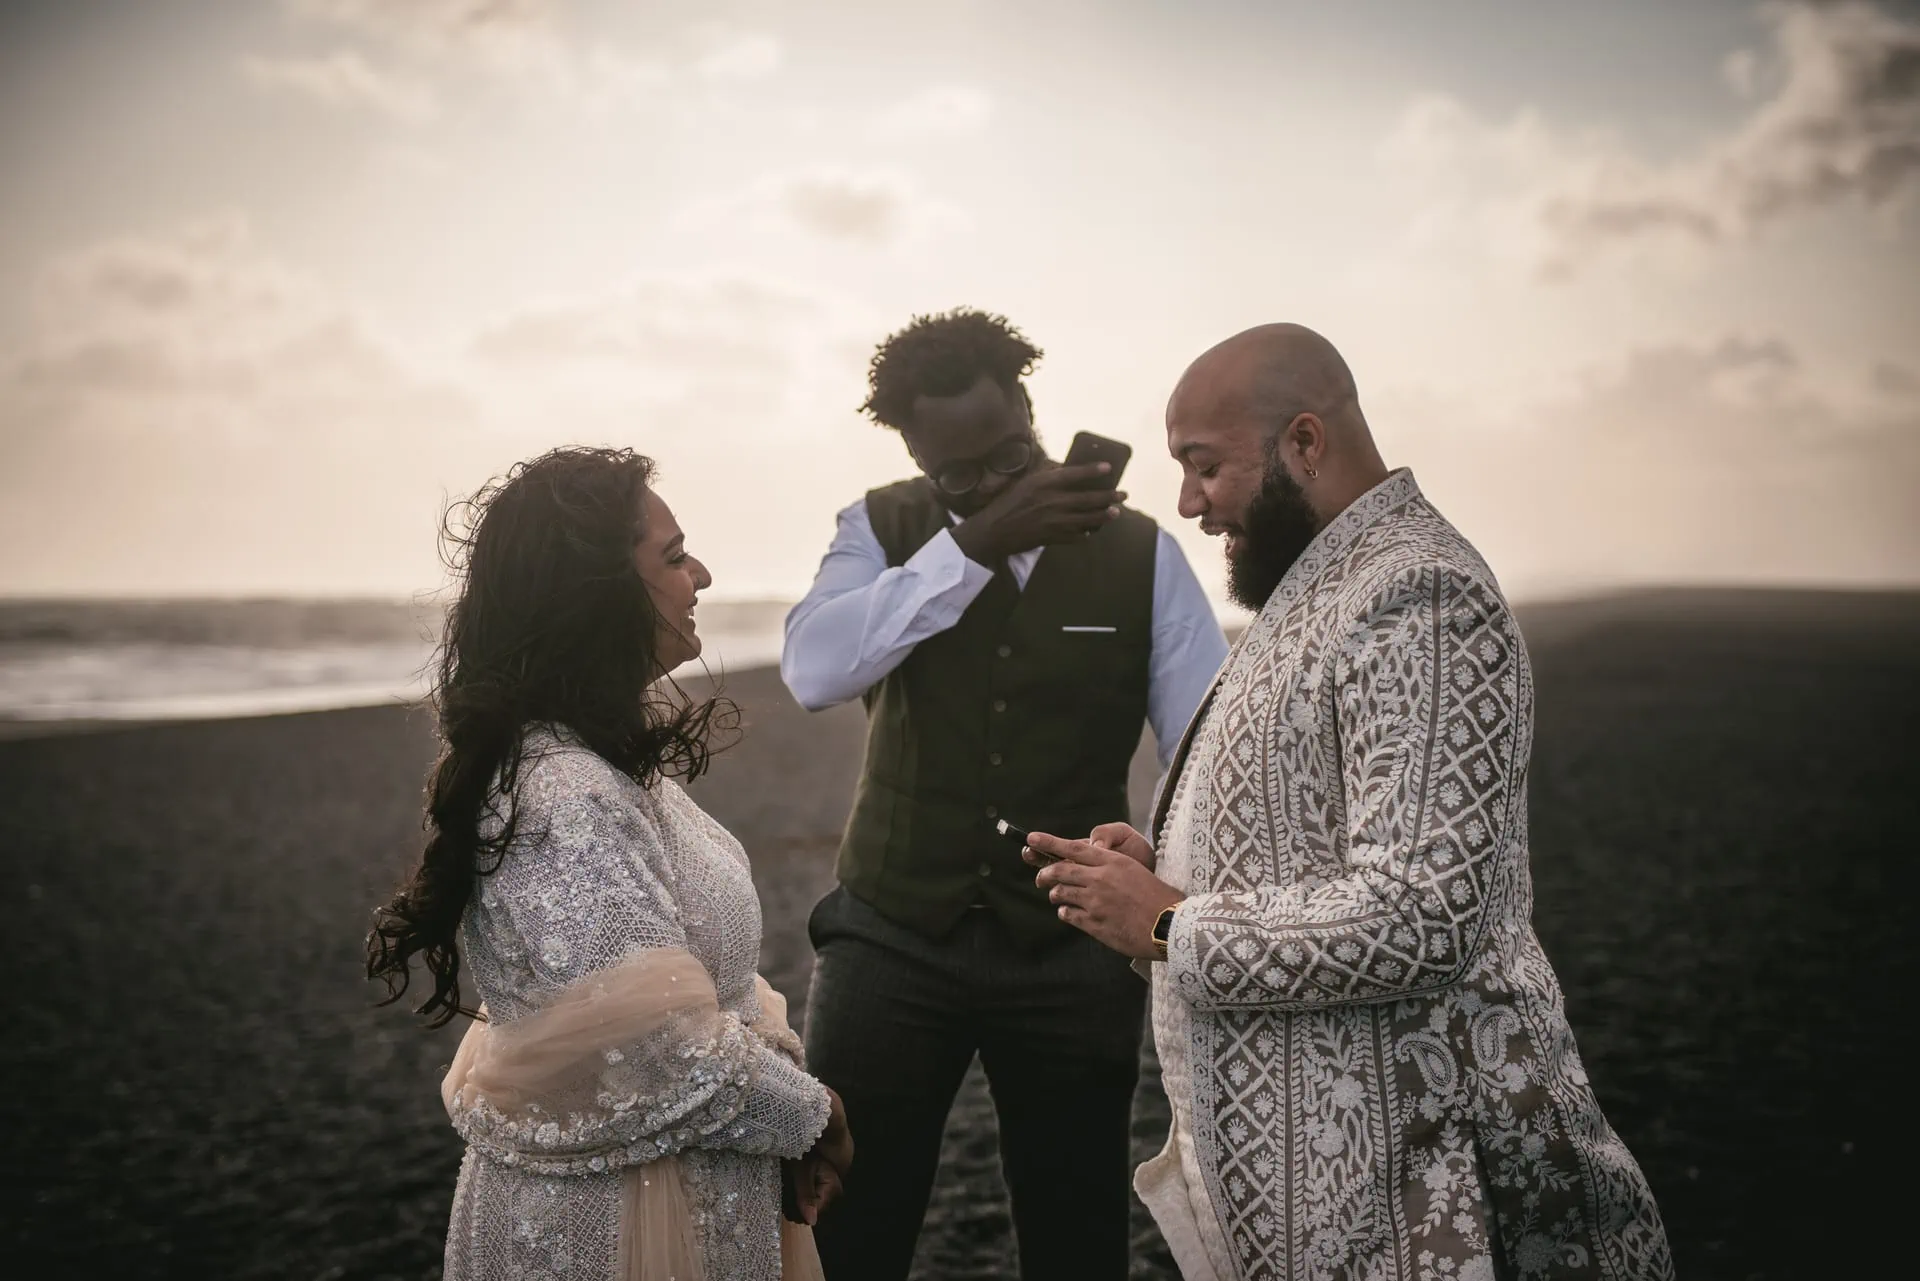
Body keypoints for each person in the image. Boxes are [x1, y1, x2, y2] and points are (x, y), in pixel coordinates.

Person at [1024, 325, 1674, 1280]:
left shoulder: (1421, 592)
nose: (1187, 502)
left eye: (1205, 467)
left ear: (1304, 442)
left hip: (1430, 1191)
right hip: (1337, 1198)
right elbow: (1325, 837)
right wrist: (1167, 867)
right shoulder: (1323, 581)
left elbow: (1422, 913)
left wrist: (1169, 922)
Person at [783, 308, 1230, 1279]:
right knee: (847, 1224)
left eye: (1009, 454)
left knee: (1075, 1229)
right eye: (960, 478)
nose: (991, 482)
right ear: (915, 457)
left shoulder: (1142, 555)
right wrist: (974, 542)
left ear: (1030, 408)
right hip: (890, 935)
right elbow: (813, 671)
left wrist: (1154, 864)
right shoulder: (879, 527)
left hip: (1070, 947)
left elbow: (1209, 747)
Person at [367, 446, 853, 1281]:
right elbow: (661, 1049)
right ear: (594, 597)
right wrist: (816, 1116)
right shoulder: (566, 796)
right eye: (672, 557)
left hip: (684, 1193)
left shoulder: (605, 767)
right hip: (628, 1226)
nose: (699, 574)